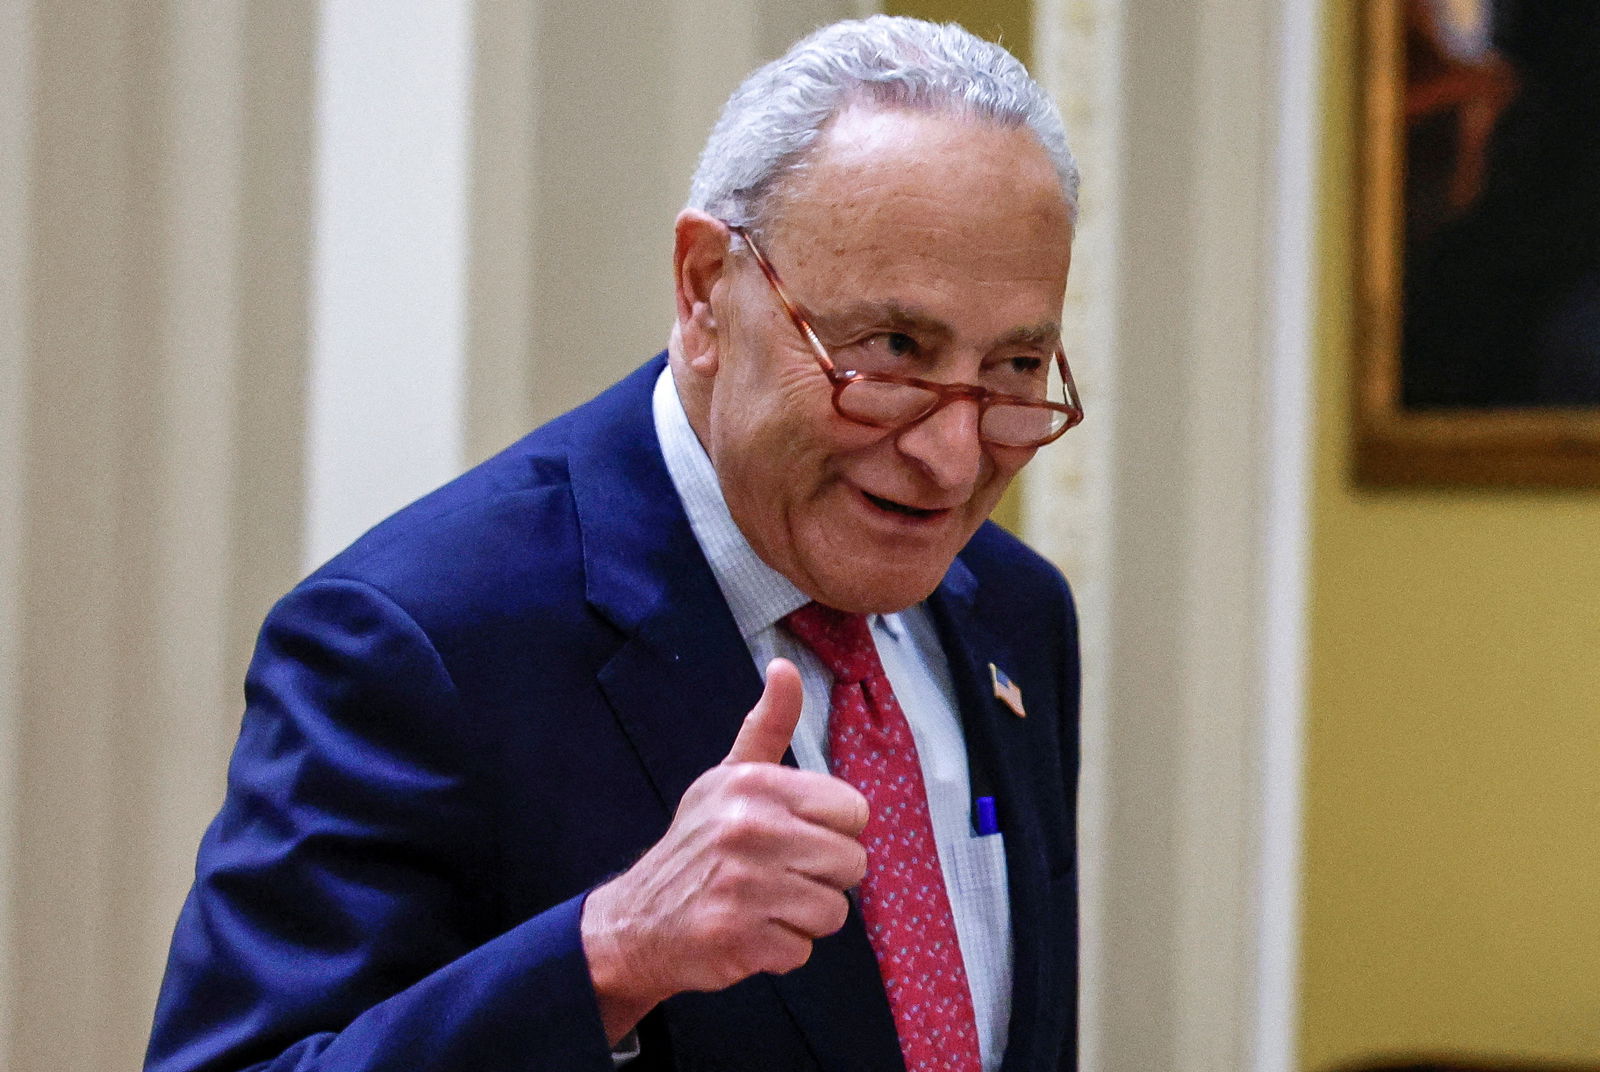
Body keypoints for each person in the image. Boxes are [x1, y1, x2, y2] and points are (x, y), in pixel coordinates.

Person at [145, 16, 1083, 1072]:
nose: (955, 460)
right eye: (892, 350)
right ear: (702, 291)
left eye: (1012, 367)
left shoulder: (1013, 610)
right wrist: (609, 956)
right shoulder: (422, 639)